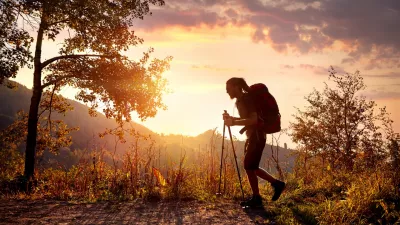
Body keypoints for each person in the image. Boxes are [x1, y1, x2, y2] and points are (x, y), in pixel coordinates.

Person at [223, 77, 285, 207]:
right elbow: (246, 118)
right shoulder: (241, 100)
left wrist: (233, 123)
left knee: (249, 166)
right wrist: (232, 118)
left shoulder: (247, 99)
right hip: (253, 137)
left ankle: (269, 190)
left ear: (236, 86)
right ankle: (265, 192)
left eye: (228, 88)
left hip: (257, 137)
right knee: (251, 166)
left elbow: (253, 120)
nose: (226, 91)